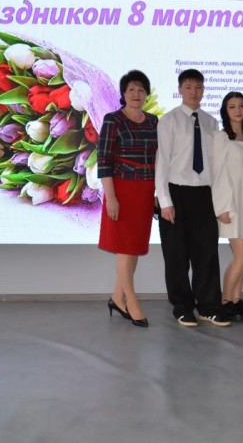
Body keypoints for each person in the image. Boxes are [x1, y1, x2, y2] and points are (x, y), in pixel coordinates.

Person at [156, 69, 230, 327]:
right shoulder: (169, 120)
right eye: (188, 87)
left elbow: (216, 164)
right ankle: (182, 306)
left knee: (206, 252)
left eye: (198, 87)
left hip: (204, 193)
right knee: (176, 255)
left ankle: (208, 306)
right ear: (180, 90)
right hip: (176, 192)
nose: (194, 92)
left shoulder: (211, 122)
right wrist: (164, 201)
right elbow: (162, 161)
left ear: (204, 90)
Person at [98, 70, 159, 328]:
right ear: (123, 93)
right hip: (121, 191)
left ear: (146, 94)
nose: (136, 94)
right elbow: (104, 160)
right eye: (131, 89)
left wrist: (158, 193)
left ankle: (116, 297)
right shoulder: (113, 120)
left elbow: (160, 158)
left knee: (133, 247)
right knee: (124, 247)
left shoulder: (154, 121)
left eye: (141, 90)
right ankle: (131, 301)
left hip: (145, 191)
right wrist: (111, 197)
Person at [212, 92, 243, 322]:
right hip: (232, 203)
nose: (238, 110)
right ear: (225, 111)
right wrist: (222, 207)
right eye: (232, 106)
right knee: (241, 256)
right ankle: (224, 302)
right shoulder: (221, 137)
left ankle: (236, 299)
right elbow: (218, 174)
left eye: (241, 106)